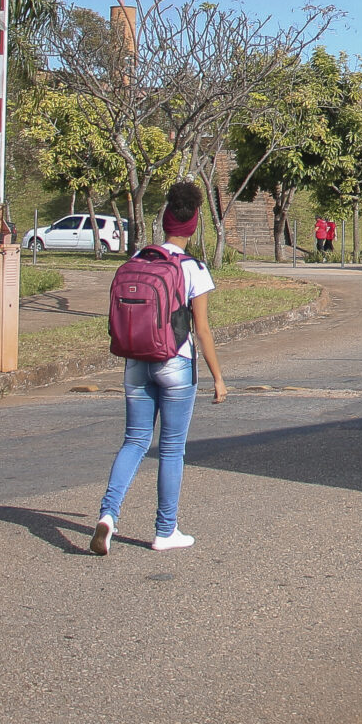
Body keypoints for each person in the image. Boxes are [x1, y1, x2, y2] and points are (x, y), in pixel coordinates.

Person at [91, 181, 227, 555]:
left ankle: (108, 516)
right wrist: (218, 378)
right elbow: (201, 330)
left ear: (165, 222)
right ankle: (165, 530)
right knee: (170, 450)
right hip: (176, 365)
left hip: (136, 361)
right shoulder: (192, 269)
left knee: (134, 441)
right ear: (193, 226)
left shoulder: (137, 260)